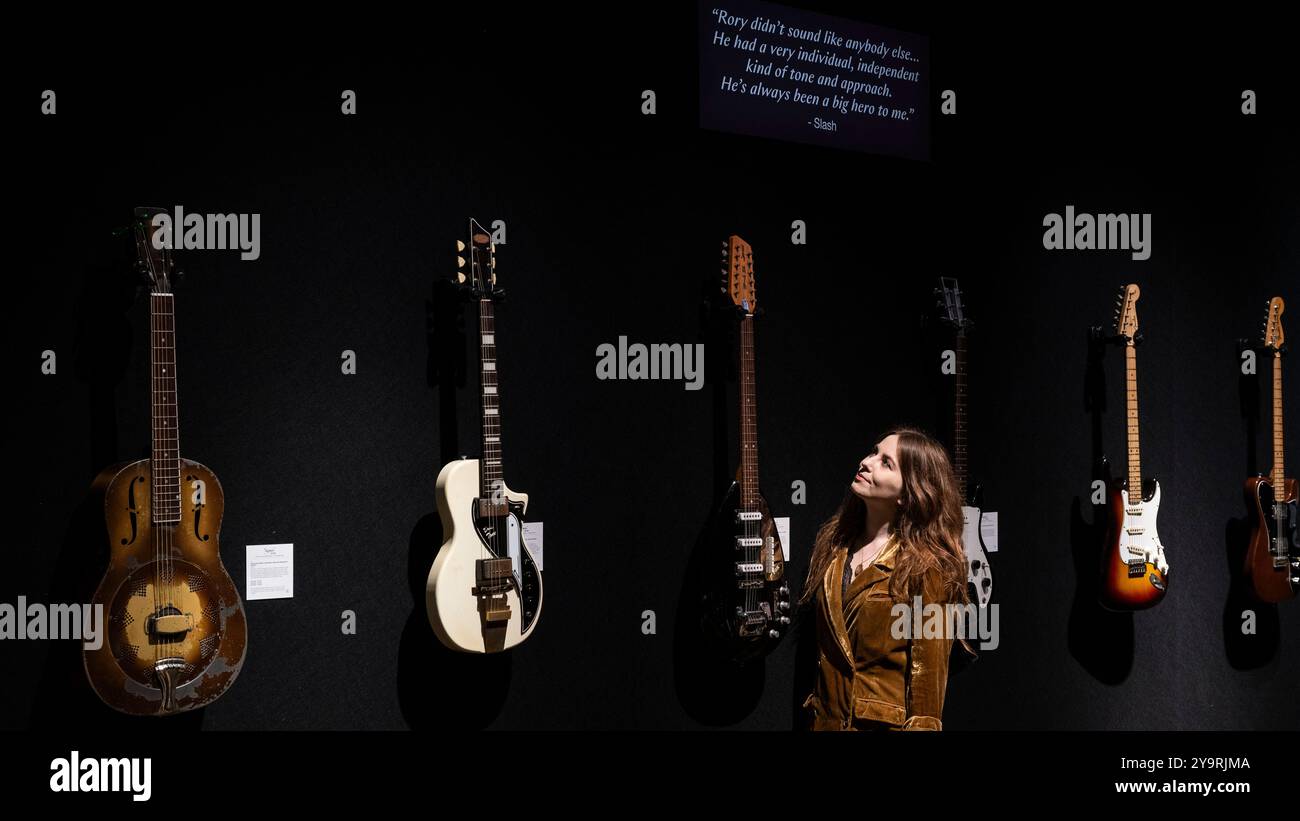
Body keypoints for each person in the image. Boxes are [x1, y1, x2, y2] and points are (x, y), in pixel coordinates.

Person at [799, 426, 975, 730]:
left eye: (886, 463)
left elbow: (927, 683)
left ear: (908, 495)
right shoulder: (834, 547)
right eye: (873, 452)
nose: (866, 462)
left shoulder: (927, 569)